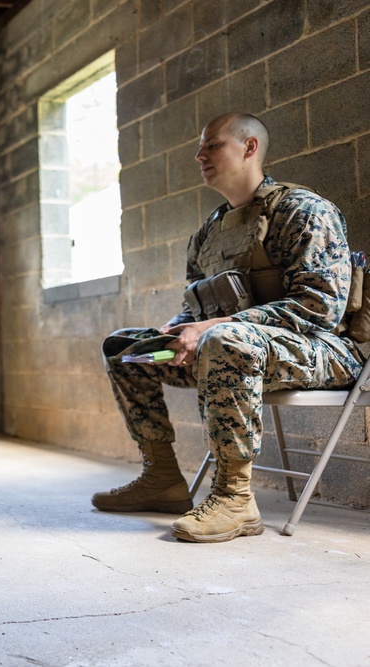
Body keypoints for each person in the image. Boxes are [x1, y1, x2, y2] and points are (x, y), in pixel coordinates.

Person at [93, 113, 364, 543]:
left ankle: (236, 498)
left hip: (324, 350)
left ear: (249, 147)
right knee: (124, 348)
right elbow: (195, 305)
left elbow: (319, 308)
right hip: (239, 346)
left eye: (212, 145)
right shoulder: (208, 233)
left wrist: (212, 327)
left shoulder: (303, 211)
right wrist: (177, 328)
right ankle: (162, 477)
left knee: (223, 338)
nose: (199, 155)